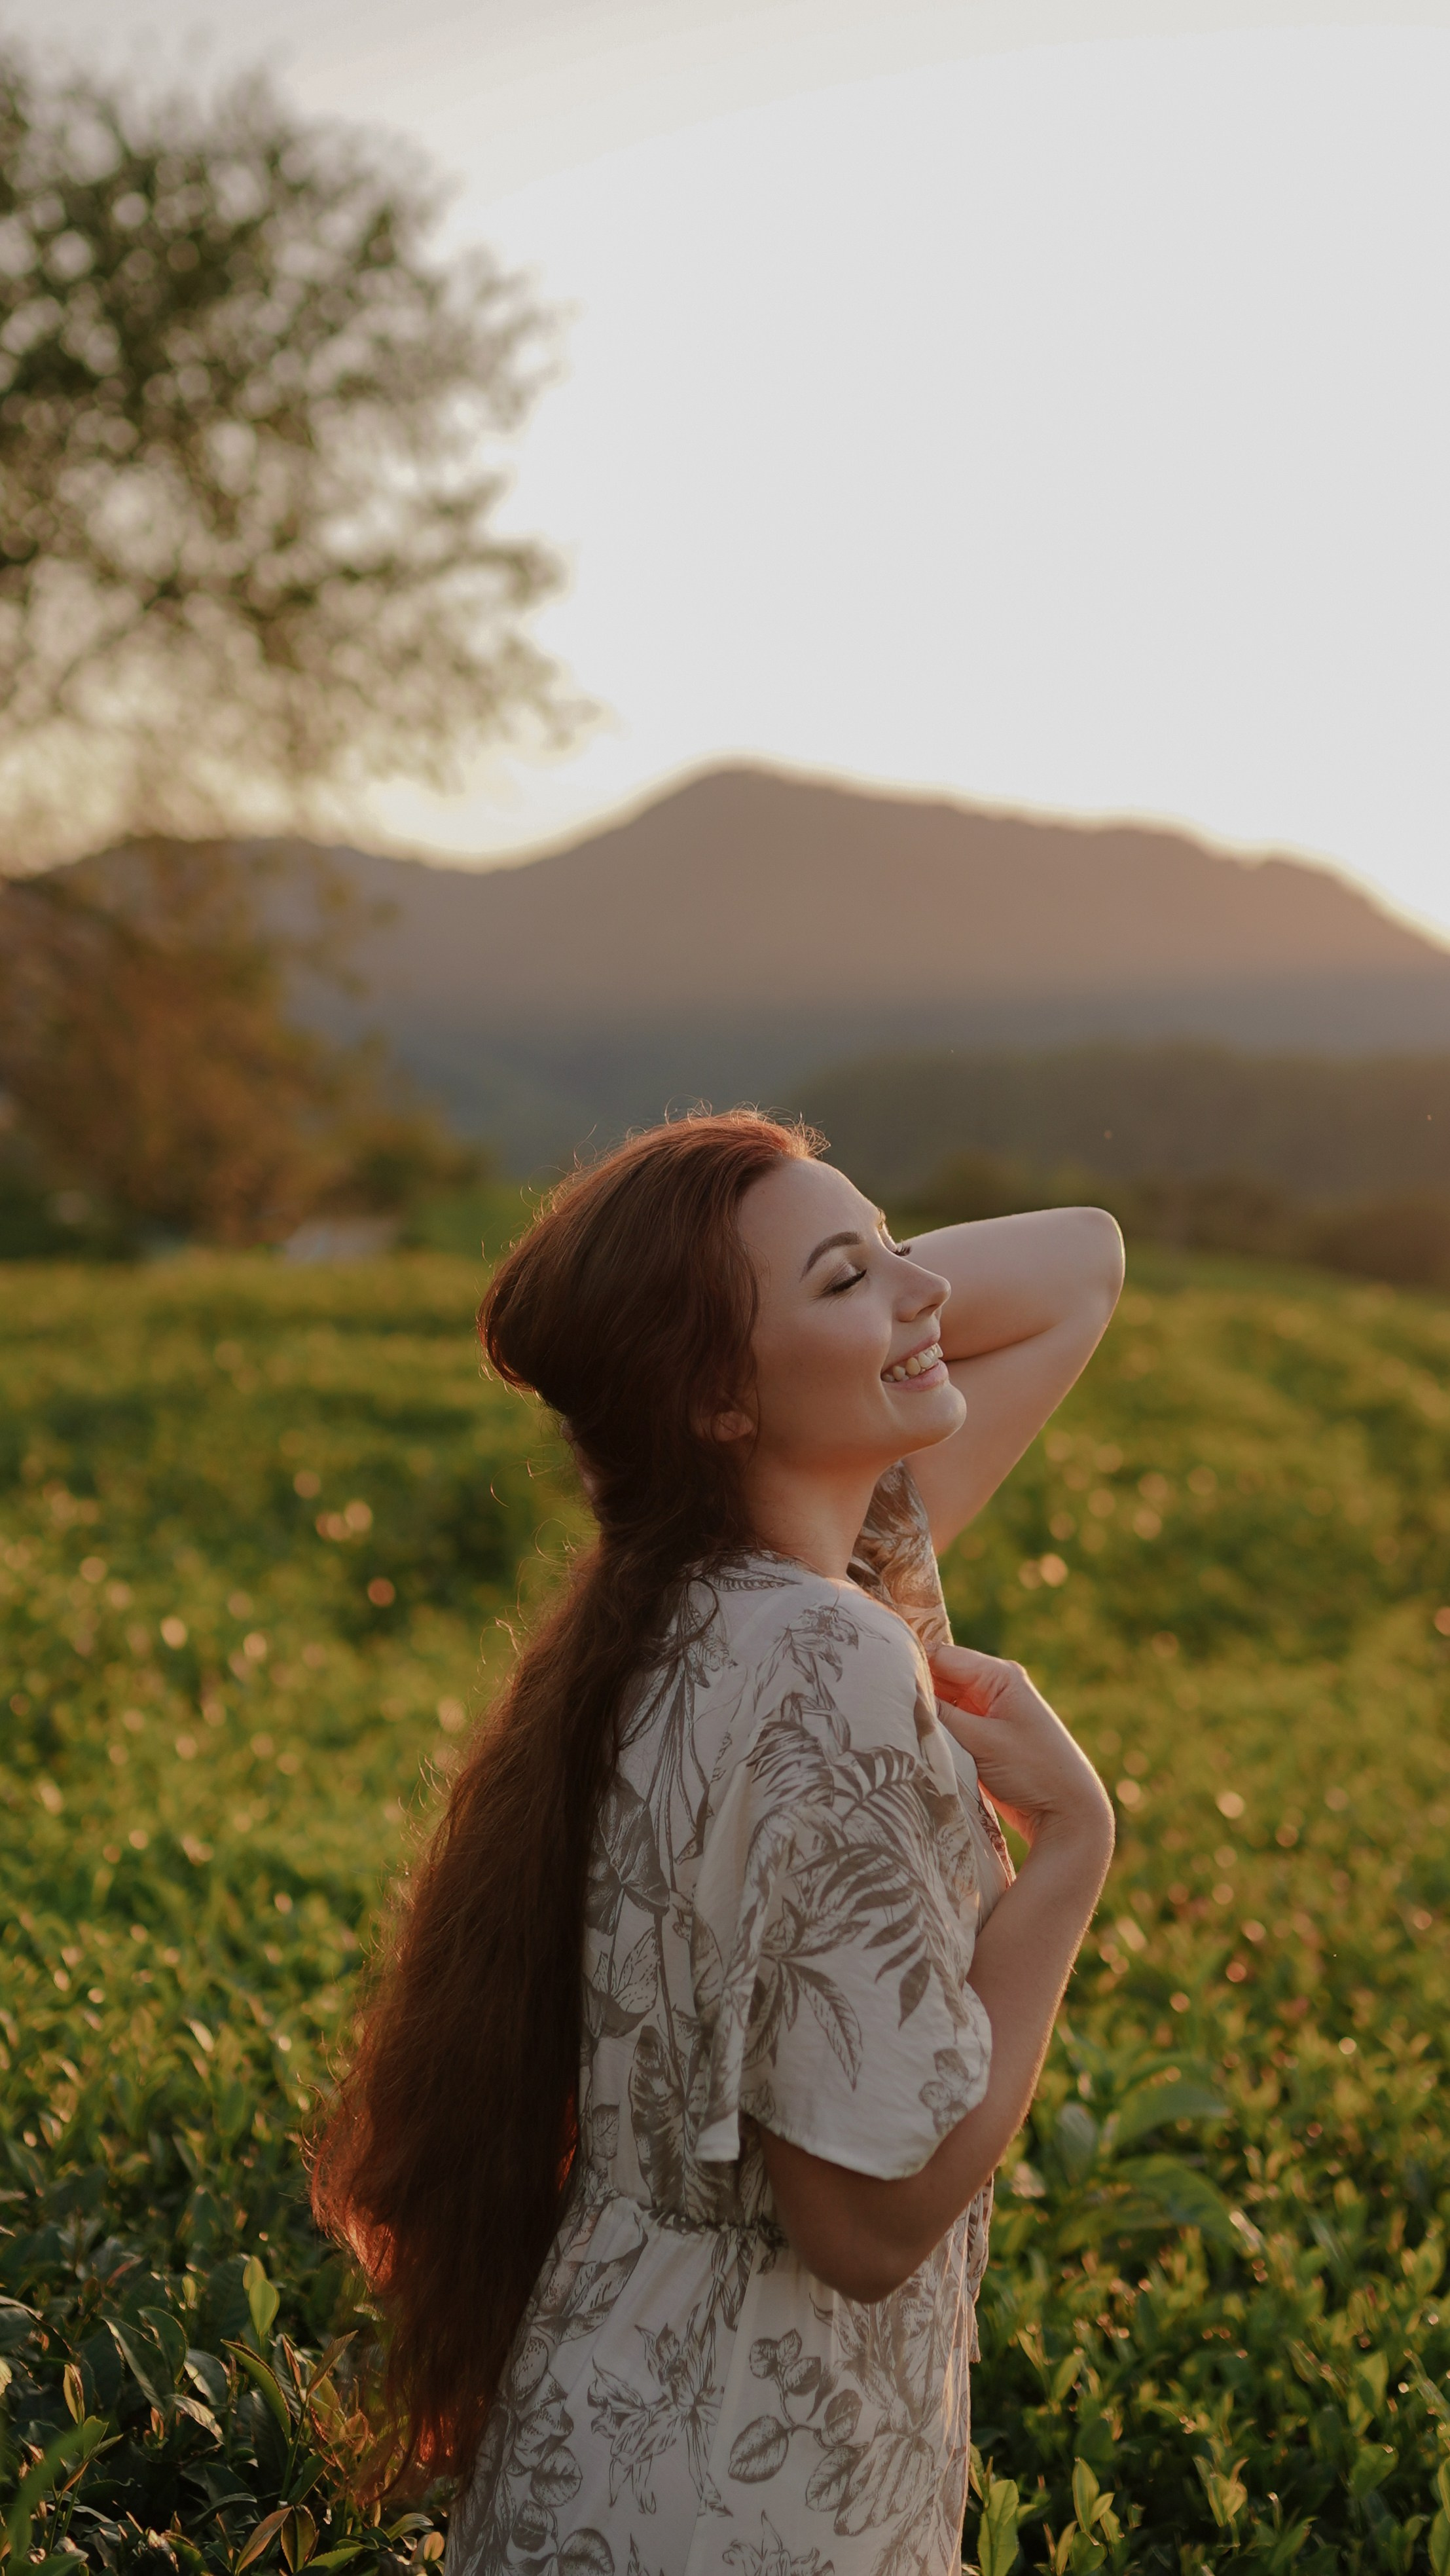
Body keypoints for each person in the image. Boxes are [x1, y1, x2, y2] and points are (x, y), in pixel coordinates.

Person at [313, 1112, 1121, 2576]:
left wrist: (839, 1297)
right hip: (760, 2494)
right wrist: (1068, 1854)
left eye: (900, 1248)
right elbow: (864, 2224)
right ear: (714, 1397)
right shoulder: (829, 1655)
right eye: (844, 1277)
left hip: (605, 2440)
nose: (926, 1291)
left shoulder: (695, 1602)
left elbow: (1083, 1261)